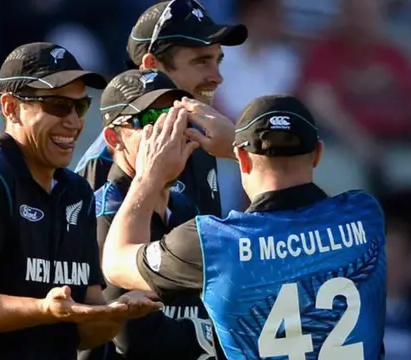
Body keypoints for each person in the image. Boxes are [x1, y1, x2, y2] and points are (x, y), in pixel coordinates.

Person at [0, 42, 163, 360]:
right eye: (57, 105)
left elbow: (83, 327)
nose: (74, 122)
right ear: (10, 107)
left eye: (80, 107)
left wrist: (115, 314)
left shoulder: (77, 192)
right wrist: (46, 309)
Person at [101, 95, 387, 359]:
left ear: (242, 159)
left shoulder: (214, 243)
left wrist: (149, 177)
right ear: (318, 154)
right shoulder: (365, 216)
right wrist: (235, 144)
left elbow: (115, 262)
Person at [74, 0, 248, 217]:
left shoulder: (201, 135)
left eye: (217, 62)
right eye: (202, 62)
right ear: (152, 66)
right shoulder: (109, 159)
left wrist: (239, 149)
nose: (217, 78)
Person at [91, 69, 215, 359]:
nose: (168, 131)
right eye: (150, 120)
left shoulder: (185, 207)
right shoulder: (101, 213)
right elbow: (133, 338)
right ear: (114, 138)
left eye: (174, 117)